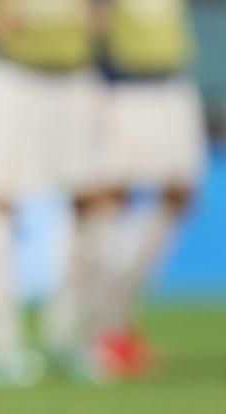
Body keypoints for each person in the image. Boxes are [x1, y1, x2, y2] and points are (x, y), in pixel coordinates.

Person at [0, 0, 99, 385]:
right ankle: (0, 341)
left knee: (89, 203)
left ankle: (71, 336)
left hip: (74, 74)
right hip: (6, 73)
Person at [75, 0, 205, 377]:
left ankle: (115, 317)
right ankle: (96, 331)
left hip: (172, 82)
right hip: (122, 87)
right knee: (110, 199)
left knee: (179, 194)